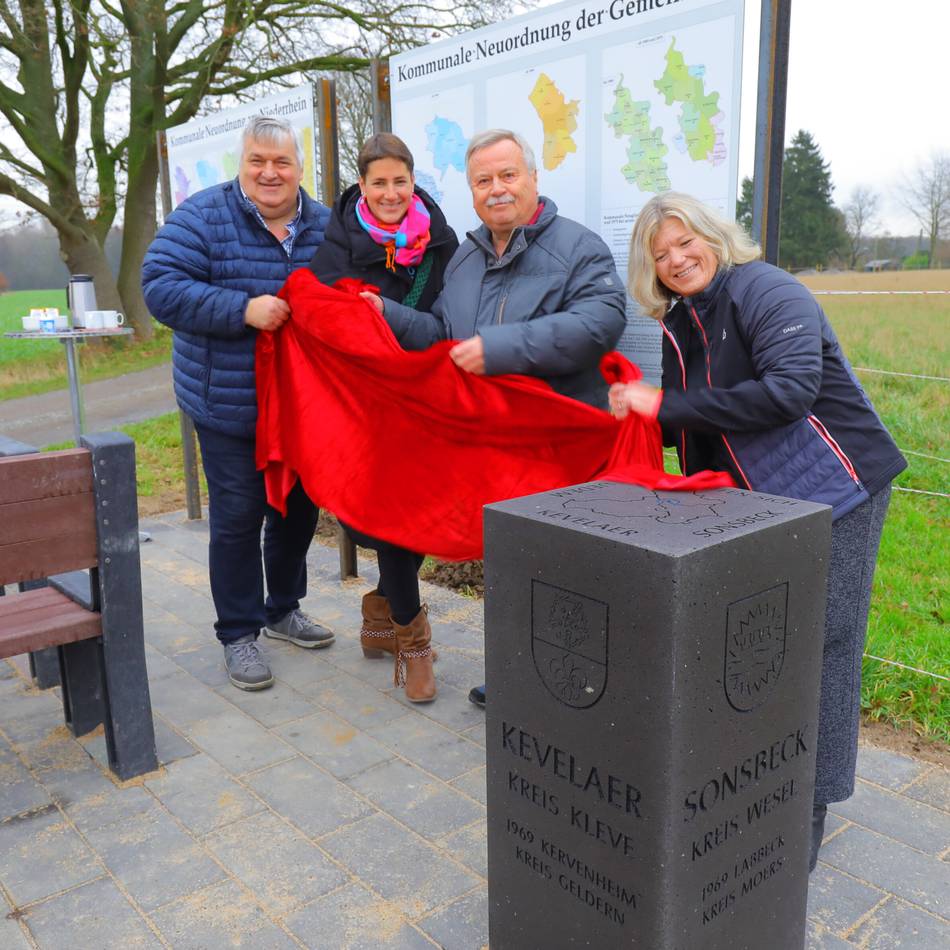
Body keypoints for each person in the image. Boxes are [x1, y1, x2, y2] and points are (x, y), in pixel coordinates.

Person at [609, 191, 906, 872]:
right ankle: (767, 784)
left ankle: (809, 816)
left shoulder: (766, 289)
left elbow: (791, 390)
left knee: (824, 648)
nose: (678, 259)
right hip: (765, 504)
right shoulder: (683, 318)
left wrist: (664, 405)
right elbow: (694, 425)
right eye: (662, 254)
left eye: (687, 243)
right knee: (769, 644)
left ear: (715, 237)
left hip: (838, 487)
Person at [361, 128, 627, 709]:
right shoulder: (465, 256)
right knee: (507, 560)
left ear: (533, 179)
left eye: (508, 175)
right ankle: (516, 672)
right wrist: (385, 313)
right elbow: (442, 334)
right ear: (472, 191)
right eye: (483, 180)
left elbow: (599, 323)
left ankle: (565, 687)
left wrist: (499, 347)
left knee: (557, 565)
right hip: (488, 445)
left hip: (555, 448)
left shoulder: (579, 248)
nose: (497, 189)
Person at [142, 116, 335, 691]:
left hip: (302, 408)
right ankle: (238, 633)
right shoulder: (202, 215)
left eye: (282, 163)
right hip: (226, 401)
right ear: (242, 165)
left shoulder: (326, 226)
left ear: (301, 168)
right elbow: (160, 286)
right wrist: (242, 309)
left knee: (296, 511)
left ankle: (282, 609)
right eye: (258, 161)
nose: (270, 173)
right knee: (237, 517)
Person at [308, 132, 459, 703]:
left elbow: (450, 316)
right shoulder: (337, 247)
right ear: (362, 186)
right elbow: (321, 318)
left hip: (423, 399)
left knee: (413, 514)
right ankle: (412, 641)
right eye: (379, 183)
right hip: (362, 406)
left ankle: (380, 617)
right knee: (389, 516)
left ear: (412, 181)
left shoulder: (440, 242)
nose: (391, 193)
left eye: (400, 181)